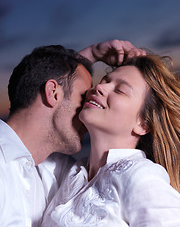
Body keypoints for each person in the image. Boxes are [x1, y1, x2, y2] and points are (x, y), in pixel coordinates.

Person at [0, 40, 144, 226]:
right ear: (53, 93)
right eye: (84, 98)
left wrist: (92, 54)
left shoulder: (56, 171)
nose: (86, 112)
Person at [42, 52, 180, 226]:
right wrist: (91, 54)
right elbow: (39, 98)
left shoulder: (141, 176)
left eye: (120, 90)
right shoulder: (69, 172)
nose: (99, 88)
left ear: (143, 124)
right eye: (105, 81)